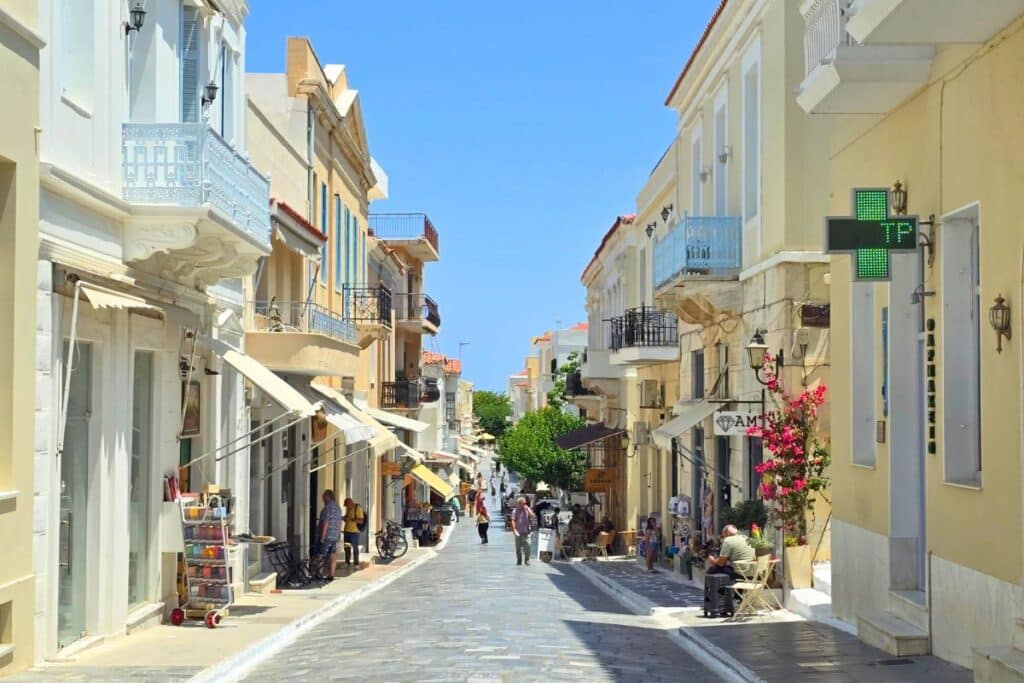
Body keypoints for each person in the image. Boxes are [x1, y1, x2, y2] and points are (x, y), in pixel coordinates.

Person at [313, 490, 342, 579]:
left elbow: (326, 523)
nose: (322, 499)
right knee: (333, 555)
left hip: (326, 536)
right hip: (334, 537)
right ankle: (331, 574)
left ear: (328, 497)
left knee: (321, 554)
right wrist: (338, 534)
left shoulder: (327, 508)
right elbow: (339, 522)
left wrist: (322, 537)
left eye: (324, 497)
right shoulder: (338, 508)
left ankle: (319, 574)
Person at [511, 496, 536, 566]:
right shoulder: (515, 511)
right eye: (523, 503)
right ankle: (519, 560)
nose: (525, 504)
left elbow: (532, 516)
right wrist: (514, 530)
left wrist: (528, 509)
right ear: (519, 504)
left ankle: (527, 560)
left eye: (525, 503)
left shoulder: (527, 509)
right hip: (518, 532)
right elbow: (513, 520)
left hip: (526, 532)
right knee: (518, 548)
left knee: (527, 546)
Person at [342, 497, 365, 568]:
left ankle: (356, 563)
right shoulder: (348, 509)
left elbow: (361, 521)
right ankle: (347, 562)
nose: (346, 507)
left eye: (346, 505)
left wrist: (351, 519)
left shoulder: (358, 508)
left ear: (350, 503)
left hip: (354, 532)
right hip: (347, 531)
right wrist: (344, 518)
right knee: (347, 547)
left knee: (355, 548)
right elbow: (347, 518)